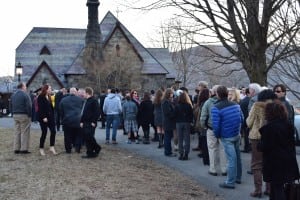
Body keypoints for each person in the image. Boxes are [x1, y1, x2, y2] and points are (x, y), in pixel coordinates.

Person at [259, 101, 300, 200]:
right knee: (278, 187)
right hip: (288, 160)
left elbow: (264, 146)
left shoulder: (269, 128)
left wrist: (259, 145)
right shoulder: (289, 125)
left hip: (274, 163)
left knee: (277, 189)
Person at [246, 89, 277, 197]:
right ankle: (269, 189)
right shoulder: (276, 107)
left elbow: (249, 122)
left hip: (257, 137)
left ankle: (258, 190)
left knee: (256, 164)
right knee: (269, 163)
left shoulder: (257, 106)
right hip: (271, 138)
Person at [211, 85, 243, 189]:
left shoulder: (216, 108)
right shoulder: (236, 105)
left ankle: (230, 182)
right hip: (236, 134)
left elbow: (215, 125)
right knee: (237, 157)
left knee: (231, 159)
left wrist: (217, 135)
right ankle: (238, 177)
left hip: (226, 136)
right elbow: (241, 118)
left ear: (217, 94)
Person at [200, 85, 227, 176]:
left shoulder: (208, 102)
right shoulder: (226, 102)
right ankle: (224, 169)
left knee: (212, 149)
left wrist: (203, 125)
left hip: (211, 128)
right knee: (223, 149)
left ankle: (213, 168)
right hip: (223, 129)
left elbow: (203, 116)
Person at [59, 87, 84, 153]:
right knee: (78, 135)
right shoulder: (81, 100)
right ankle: (78, 148)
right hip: (78, 120)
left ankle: (68, 149)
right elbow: (83, 110)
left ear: (70, 92)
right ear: (75, 92)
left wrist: (63, 118)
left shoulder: (63, 100)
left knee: (67, 136)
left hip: (67, 120)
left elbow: (60, 110)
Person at [80, 87, 101, 158]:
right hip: (85, 122)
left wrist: (94, 121)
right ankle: (90, 152)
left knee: (89, 137)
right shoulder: (87, 101)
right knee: (87, 137)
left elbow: (97, 112)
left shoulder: (94, 101)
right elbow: (84, 112)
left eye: (84, 93)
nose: (83, 94)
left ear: (87, 93)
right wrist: (81, 121)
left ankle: (95, 149)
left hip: (91, 123)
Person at [11, 82, 32, 154]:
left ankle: (16, 148)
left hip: (15, 114)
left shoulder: (13, 95)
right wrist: (30, 115)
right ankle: (24, 149)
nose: (26, 88)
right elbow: (29, 106)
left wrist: (12, 113)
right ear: (22, 87)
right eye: (25, 86)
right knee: (25, 132)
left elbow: (10, 105)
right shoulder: (25, 95)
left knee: (17, 132)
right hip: (24, 115)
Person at [37, 84, 57, 156]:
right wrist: (43, 117)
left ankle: (52, 147)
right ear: (46, 89)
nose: (51, 90)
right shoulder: (40, 97)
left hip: (51, 117)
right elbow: (40, 109)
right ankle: (41, 148)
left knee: (53, 131)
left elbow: (51, 107)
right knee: (44, 133)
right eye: (50, 88)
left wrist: (53, 116)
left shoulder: (49, 96)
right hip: (43, 118)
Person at [174, 91, 193, 160]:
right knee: (187, 139)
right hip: (187, 122)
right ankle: (186, 154)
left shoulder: (177, 106)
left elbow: (174, 115)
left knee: (180, 139)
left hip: (179, 123)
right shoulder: (189, 105)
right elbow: (191, 115)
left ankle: (181, 153)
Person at [161, 88, 176, 157]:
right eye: (171, 93)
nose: (172, 94)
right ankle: (168, 152)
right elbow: (168, 113)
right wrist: (174, 113)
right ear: (168, 94)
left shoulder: (167, 101)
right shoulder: (165, 102)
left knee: (168, 137)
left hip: (168, 121)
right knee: (167, 137)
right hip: (168, 122)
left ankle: (168, 151)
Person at [239, 88, 251, 153]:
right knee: (247, 135)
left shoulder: (243, 101)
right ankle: (247, 147)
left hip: (244, 119)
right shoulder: (250, 101)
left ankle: (247, 147)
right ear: (248, 93)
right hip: (248, 119)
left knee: (246, 134)